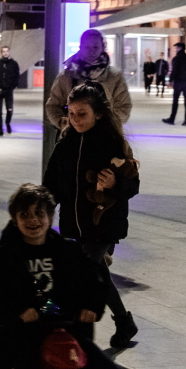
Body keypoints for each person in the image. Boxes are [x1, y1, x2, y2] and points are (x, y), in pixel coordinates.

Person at [0, 183, 121, 369]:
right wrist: (18, 311)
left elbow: (93, 275)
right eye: (25, 215)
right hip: (26, 329)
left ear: (50, 216)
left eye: (40, 213)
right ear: (14, 218)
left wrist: (92, 305)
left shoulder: (65, 250)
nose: (33, 220)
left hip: (62, 319)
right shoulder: (7, 255)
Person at [42, 82, 140, 349]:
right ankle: (124, 322)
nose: (75, 120)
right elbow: (51, 184)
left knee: (84, 273)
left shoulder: (110, 144)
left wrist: (115, 185)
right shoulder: (65, 145)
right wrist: (39, 211)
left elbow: (133, 184)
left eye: (81, 113)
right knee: (97, 273)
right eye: (71, 113)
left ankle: (73, 334)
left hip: (103, 224)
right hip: (73, 223)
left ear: (98, 113)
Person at [46, 29, 132, 130]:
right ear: (80, 47)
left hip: (105, 137)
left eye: (96, 46)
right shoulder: (66, 76)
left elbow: (124, 106)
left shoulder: (114, 77)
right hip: (73, 136)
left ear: (102, 48)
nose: (91, 50)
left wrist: (106, 125)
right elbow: (53, 105)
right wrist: (63, 122)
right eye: (87, 47)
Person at [0, 47, 20, 136]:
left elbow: (17, 76)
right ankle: (0, 130)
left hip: (9, 90)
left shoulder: (14, 64)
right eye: (4, 51)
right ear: (1, 53)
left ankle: (7, 123)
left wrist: (12, 86)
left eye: (7, 51)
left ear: (9, 52)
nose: (5, 53)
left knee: (9, 109)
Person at [163, 42, 186, 126]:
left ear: (180, 48)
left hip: (178, 82)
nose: (176, 49)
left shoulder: (176, 59)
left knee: (175, 101)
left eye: (176, 48)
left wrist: (170, 81)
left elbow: (174, 71)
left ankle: (172, 119)